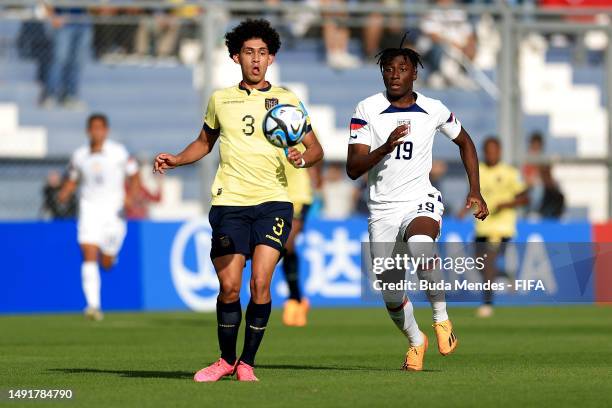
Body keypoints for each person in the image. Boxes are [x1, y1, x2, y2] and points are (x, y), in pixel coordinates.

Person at [153, 19, 323, 382]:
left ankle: (247, 362)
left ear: (272, 57)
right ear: (235, 56)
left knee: (260, 284)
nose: (256, 60)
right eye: (249, 52)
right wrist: (178, 159)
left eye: (263, 53)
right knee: (229, 287)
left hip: (274, 202)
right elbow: (204, 142)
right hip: (230, 202)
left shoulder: (288, 101)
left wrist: (302, 159)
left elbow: (315, 148)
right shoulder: (220, 99)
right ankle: (226, 359)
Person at [346, 36, 488, 371]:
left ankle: (441, 318)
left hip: (420, 199)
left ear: (414, 75)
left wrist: (476, 190)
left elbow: (466, 143)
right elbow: (353, 168)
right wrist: (385, 147)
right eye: (388, 69)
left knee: (422, 246)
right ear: (382, 73)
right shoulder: (366, 109)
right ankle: (415, 340)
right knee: (392, 295)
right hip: (382, 210)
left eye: (402, 69)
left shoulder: (433, 109)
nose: (394, 74)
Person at [58, 114, 139, 321]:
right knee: (88, 252)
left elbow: (134, 174)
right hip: (89, 209)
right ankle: (93, 306)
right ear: (88, 131)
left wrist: (131, 196)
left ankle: (111, 253)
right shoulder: (80, 155)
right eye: (93, 128)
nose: (96, 132)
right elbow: (72, 179)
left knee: (107, 262)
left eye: (100, 128)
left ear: (106, 130)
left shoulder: (118, 152)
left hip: (114, 211)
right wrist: (65, 192)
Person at [462, 137, 528, 318]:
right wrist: (462, 211)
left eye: (494, 150)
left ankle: (487, 304)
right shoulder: (479, 171)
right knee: (481, 264)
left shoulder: (510, 173)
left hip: (502, 228)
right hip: (482, 227)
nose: (491, 154)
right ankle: (506, 275)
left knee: (488, 262)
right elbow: (472, 193)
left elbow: (525, 198)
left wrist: (506, 205)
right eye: (488, 151)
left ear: (500, 152)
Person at [282, 162, 321, 327]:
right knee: (280, 247)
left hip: (299, 194)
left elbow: (315, 153)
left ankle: (295, 299)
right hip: (275, 193)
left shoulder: (302, 134)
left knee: (287, 243)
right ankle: (296, 298)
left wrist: (316, 177)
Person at [41, 3, 91, 109]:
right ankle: (51, 95)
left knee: (77, 62)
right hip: (63, 21)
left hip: (83, 21)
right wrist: (52, 16)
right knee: (59, 60)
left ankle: (70, 96)